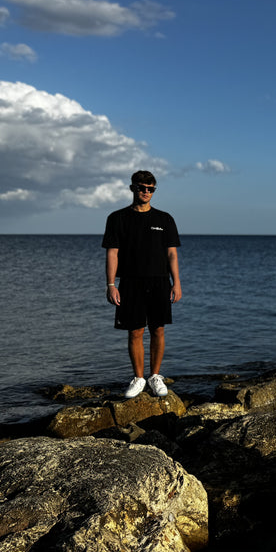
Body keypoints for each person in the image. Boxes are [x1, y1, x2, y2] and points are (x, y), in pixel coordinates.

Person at [102, 170, 182, 398]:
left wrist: (176, 283)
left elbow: (172, 255)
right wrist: (110, 284)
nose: (146, 192)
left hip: (159, 281)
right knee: (135, 331)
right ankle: (138, 378)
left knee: (158, 329)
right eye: (142, 188)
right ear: (132, 188)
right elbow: (112, 254)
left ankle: (155, 376)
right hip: (130, 282)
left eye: (150, 189)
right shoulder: (117, 218)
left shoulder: (165, 219)